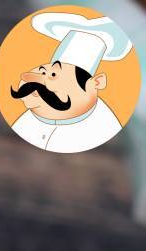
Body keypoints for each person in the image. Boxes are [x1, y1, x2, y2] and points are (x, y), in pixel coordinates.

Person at [10, 11, 134, 153]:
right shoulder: (26, 118)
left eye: (54, 75)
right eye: (42, 71)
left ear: (96, 83)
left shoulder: (106, 128)